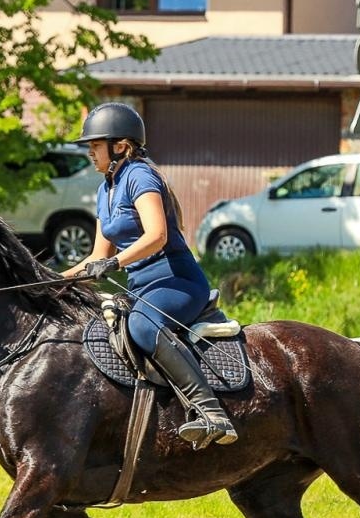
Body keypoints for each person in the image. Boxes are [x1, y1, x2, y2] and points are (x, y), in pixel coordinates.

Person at [60, 102, 237, 447]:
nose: (90, 153)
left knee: (142, 326)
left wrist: (115, 263)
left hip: (176, 281)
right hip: (142, 287)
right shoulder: (105, 190)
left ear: (121, 146)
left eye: (95, 146)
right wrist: (53, 280)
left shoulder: (140, 176)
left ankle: (210, 412)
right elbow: (97, 256)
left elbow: (157, 236)